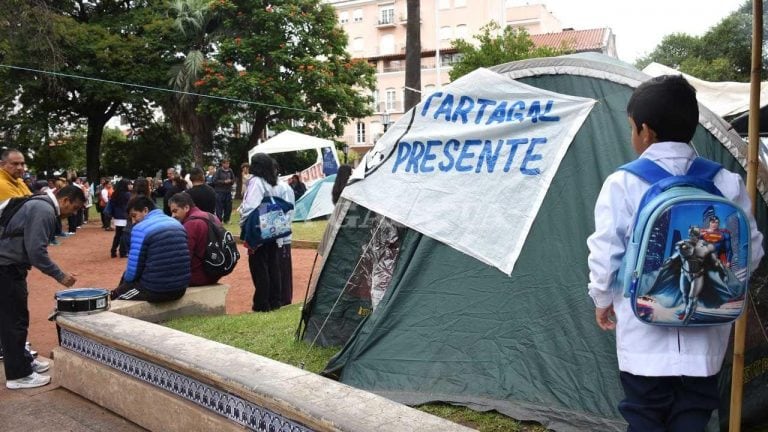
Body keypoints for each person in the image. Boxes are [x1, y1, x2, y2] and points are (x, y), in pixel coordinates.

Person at [586, 75, 764, 432]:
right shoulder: (725, 182)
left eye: (632, 128)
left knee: (644, 415)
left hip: (644, 335)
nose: (633, 135)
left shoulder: (622, 183)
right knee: (693, 416)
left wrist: (602, 298)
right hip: (707, 337)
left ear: (646, 132)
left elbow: (607, 253)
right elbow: (752, 250)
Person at [0, 185, 84, 389]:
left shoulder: (37, 202)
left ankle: (23, 361)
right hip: (7, 268)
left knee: (12, 320)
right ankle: (18, 376)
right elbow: (36, 252)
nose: (72, 214)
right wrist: (60, 276)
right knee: (15, 322)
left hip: (7, 266)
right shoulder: (44, 210)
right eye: (74, 208)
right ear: (64, 200)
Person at [110, 196, 190, 302]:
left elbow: (133, 272)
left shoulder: (140, 229)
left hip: (156, 290)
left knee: (117, 295)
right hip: (180, 288)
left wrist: (122, 287)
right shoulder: (177, 224)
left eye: (134, 215)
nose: (133, 221)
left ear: (145, 210)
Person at [240, 154, 282, 312]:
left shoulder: (256, 181)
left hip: (259, 223)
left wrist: (243, 222)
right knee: (272, 262)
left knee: (259, 264)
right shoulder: (273, 181)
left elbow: (250, 206)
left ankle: (262, 303)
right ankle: (275, 300)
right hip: (273, 220)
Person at [168, 192, 223, 286]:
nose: (172, 216)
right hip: (216, 271)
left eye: (175, 211)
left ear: (186, 208)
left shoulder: (190, 224)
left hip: (197, 276)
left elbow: (184, 257)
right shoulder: (212, 217)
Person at [274, 160, 295, 306]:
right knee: (273, 268)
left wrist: (279, 233)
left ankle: (285, 299)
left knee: (283, 269)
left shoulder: (284, 188)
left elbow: (288, 213)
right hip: (268, 237)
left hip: (282, 237)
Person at [108, 179, 131, 258]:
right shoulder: (127, 194)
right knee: (124, 235)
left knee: (118, 235)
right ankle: (123, 252)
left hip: (117, 217)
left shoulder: (115, 194)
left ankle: (113, 251)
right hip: (125, 217)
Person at [213, 159, 235, 224]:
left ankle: (227, 220)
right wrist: (224, 182)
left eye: (228, 163)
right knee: (219, 207)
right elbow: (214, 181)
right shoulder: (218, 171)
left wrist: (230, 181)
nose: (227, 165)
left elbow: (233, 179)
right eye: (226, 163)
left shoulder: (230, 170)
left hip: (228, 191)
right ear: (222, 164)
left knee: (228, 207)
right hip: (219, 192)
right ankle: (219, 220)